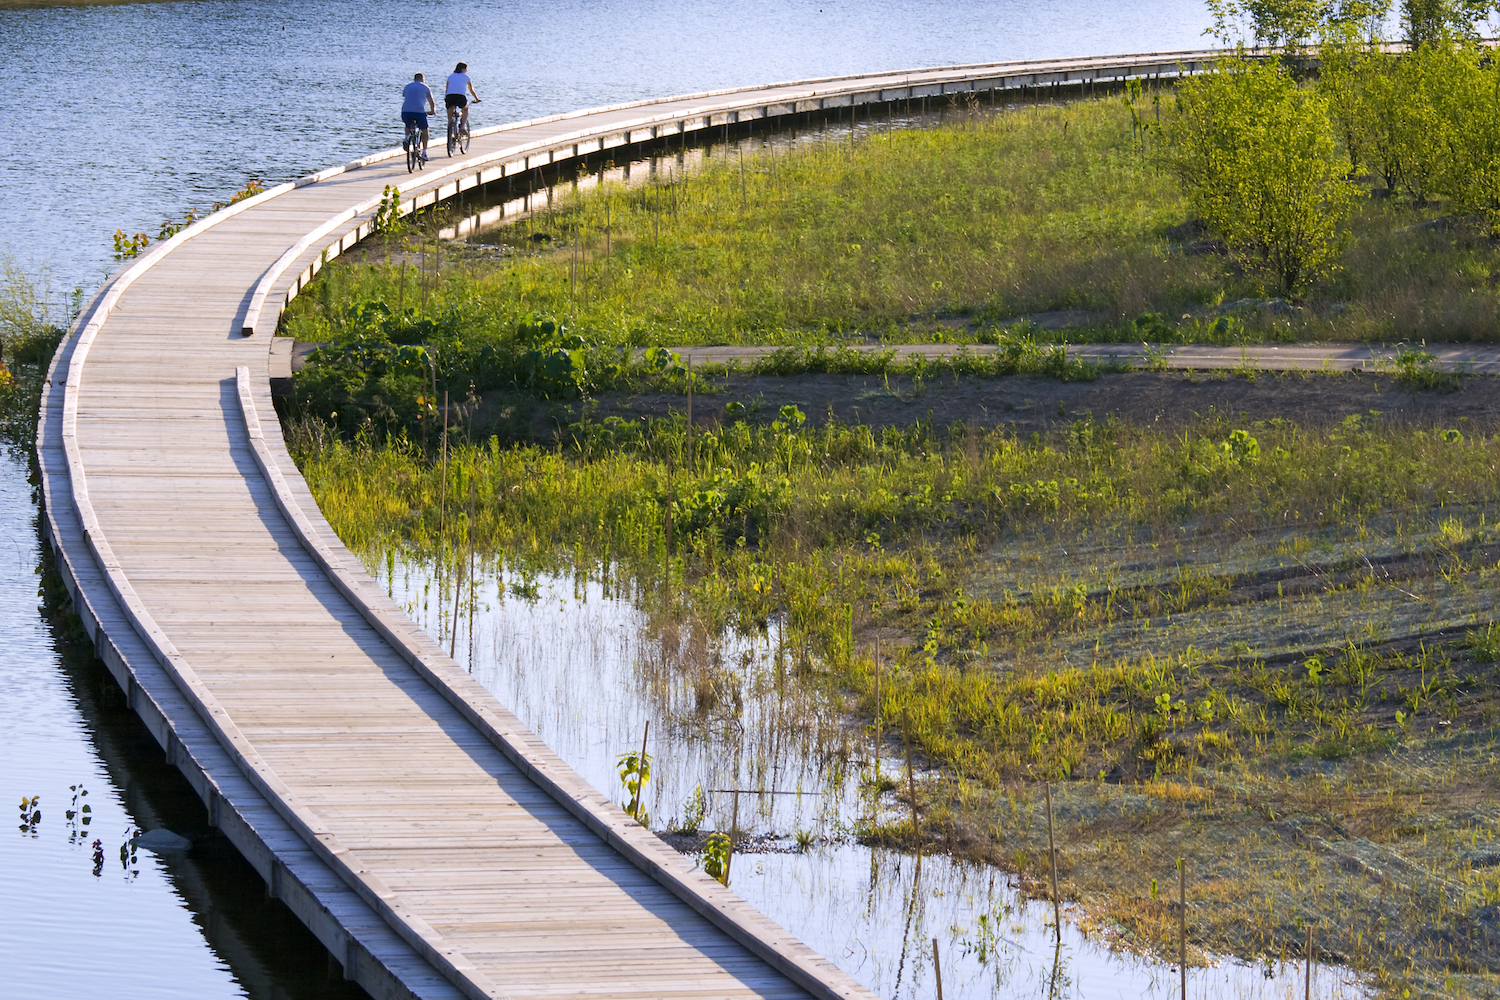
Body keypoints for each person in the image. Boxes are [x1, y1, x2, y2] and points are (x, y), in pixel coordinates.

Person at [402, 72, 436, 161]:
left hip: (405, 112)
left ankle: (406, 138)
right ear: (422, 79)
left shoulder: (407, 86)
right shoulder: (425, 87)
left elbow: (406, 97)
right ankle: (424, 152)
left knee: (407, 124)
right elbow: (431, 102)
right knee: (425, 130)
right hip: (419, 113)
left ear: (414, 79)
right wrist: (432, 111)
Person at [445, 62, 481, 136]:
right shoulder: (466, 77)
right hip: (460, 97)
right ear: (463, 69)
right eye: (466, 69)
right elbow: (471, 90)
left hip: (449, 96)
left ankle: (450, 125)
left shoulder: (450, 76)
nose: (466, 71)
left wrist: (445, 97)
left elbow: (447, 88)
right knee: (465, 108)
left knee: (450, 110)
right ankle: (462, 126)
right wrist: (477, 98)